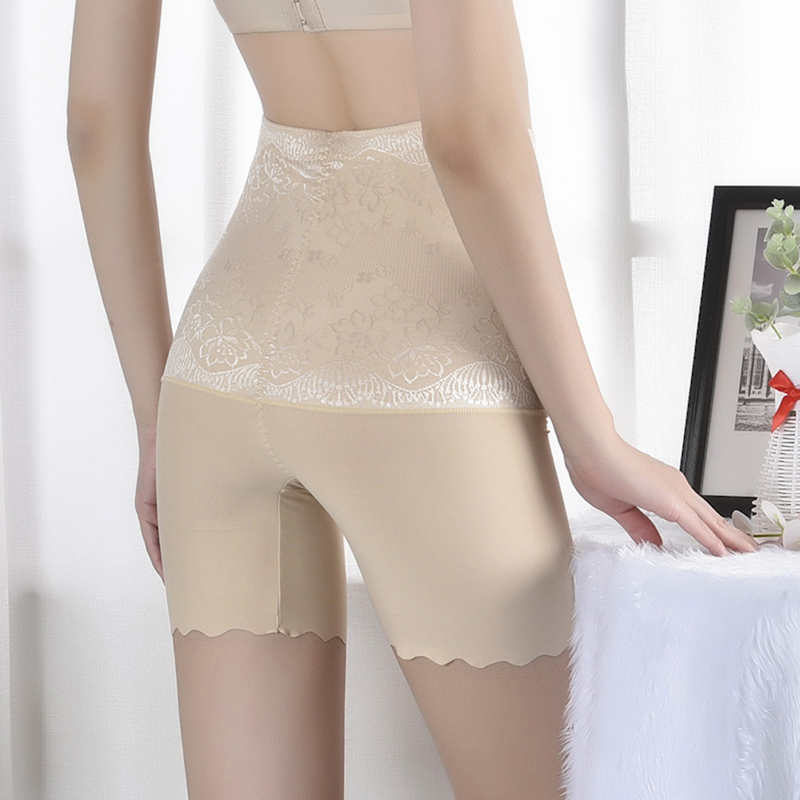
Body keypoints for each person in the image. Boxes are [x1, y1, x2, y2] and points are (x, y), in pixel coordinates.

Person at [66, 0, 760, 797]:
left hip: (219, 370)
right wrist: (590, 435)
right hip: (427, 376)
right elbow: (469, 138)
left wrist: (154, 421)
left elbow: (94, 125)